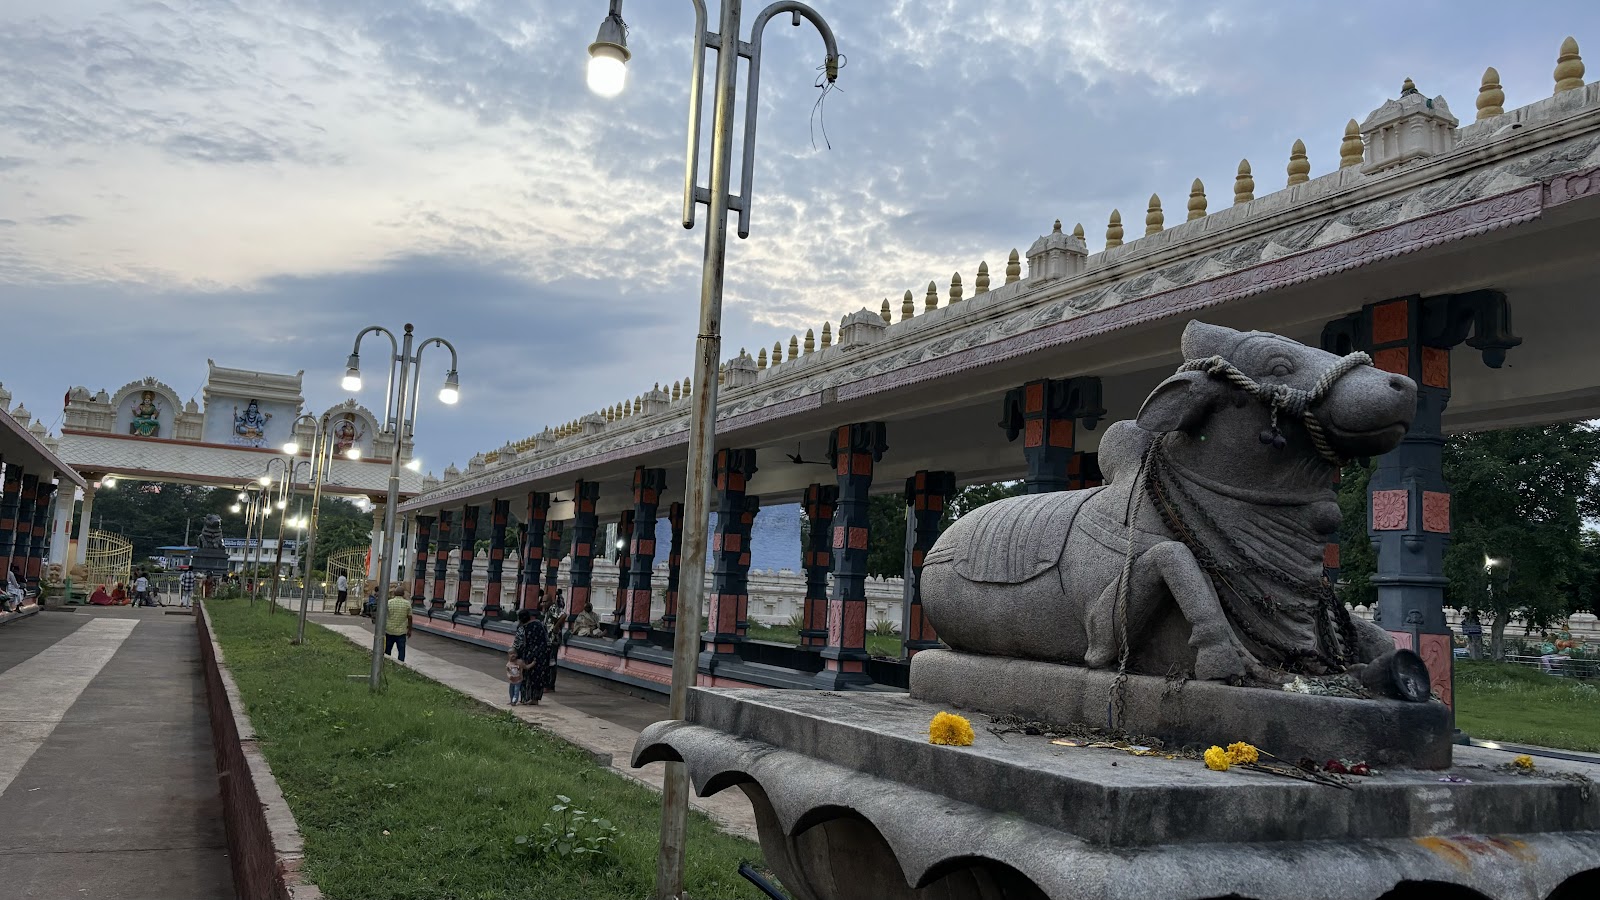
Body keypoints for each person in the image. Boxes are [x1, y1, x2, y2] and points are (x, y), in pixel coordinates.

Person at [512, 608, 549, 705]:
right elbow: (547, 639)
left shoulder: (522, 629)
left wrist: (514, 656)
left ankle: (526, 698)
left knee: (527, 677)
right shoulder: (540, 624)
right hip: (542, 655)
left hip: (528, 656)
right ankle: (535, 698)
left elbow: (517, 645)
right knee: (538, 677)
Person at [383, 587, 412, 662]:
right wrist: (410, 629)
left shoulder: (389, 602)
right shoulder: (407, 604)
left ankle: (386, 662)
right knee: (401, 651)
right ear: (403, 594)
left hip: (389, 631)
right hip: (401, 632)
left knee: (388, 649)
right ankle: (401, 665)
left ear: (394, 593)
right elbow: (410, 618)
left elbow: (384, 615)